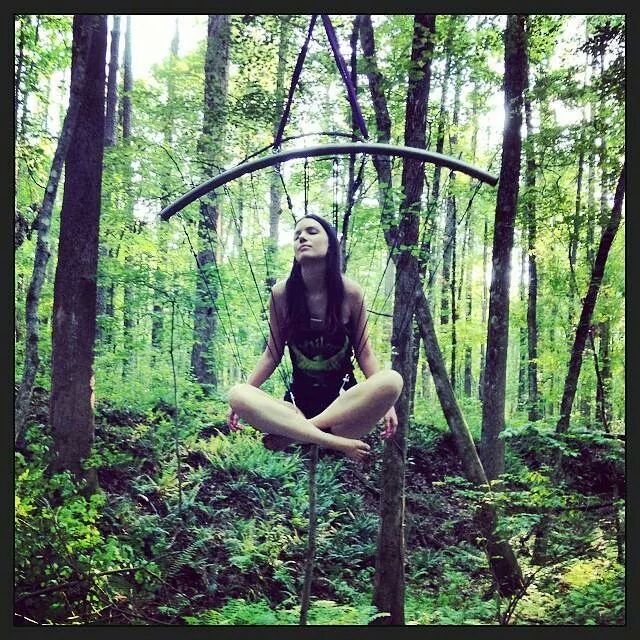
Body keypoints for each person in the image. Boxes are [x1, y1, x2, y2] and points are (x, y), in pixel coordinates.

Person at [227, 213, 403, 462]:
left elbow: (365, 353)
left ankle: (298, 434)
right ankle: (328, 440)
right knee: (238, 393)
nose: (302, 238)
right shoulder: (281, 294)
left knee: (392, 381)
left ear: (330, 244)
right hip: (295, 409)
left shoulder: (351, 293)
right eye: (297, 235)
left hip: (344, 413)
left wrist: (387, 404)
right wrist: (244, 396)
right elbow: (272, 354)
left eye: (311, 232)